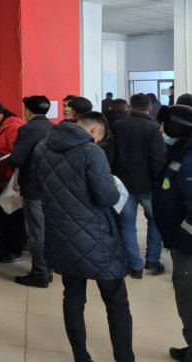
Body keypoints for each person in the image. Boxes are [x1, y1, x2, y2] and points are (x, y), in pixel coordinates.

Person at [33, 112, 134, 362]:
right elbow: (106, 197)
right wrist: (114, 187)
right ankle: (124, 357)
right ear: (95, 131)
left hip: (61, 235)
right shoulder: (91, 151)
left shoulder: (42, 147)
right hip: (98, 237)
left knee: (73, 299)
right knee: (116, 301)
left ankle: (81, 356)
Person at [154, 105, 192, 362]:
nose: (161, 130)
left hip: (191, 247)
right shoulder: (186, 148)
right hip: (187, 241)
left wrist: (184, 240)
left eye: (164, 125)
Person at [112, 93, 166, 279]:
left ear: (130, 107)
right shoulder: (154, 128)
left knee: (127, 226)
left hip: (123, 185)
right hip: (149, 186)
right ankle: (152, 260)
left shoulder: (117, 126)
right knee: (156, 222)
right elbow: (157, 160)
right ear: (150, 109)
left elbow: (112, 155)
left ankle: (135, 266)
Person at [5, 96, 54, 288]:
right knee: (46, 230)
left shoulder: (28, 129)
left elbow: (17, 158)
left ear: (28, 111)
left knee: (35, 233)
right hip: (51, 186)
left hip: (33, 186)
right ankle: (48, 270)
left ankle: (39, 274)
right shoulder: (53, 127)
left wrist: (6, 159)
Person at [0, 100, 25, 263]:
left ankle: (15, 249)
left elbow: (15, 156)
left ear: (0, 114)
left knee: (12, 215)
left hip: (10, 180)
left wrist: (9, 178)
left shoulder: (12, 127)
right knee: (1, 214)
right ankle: (6, 245)